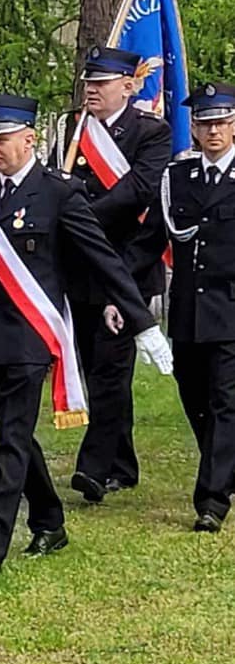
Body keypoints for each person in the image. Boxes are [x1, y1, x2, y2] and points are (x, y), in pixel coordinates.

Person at [0, 91, 172, 577]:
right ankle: (49, 519)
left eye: (2, 139)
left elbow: (101, 259)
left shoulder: (59, 192)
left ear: (29, 138)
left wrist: (143, 323)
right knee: (14, 435)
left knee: (9, 438)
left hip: (32, 334)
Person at [56, 45, 170, 504]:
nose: (92, 91)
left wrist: (79, 216)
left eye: (100, 84)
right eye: (88, 83)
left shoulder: (150, 132)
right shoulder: (73, 128)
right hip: (81, 271)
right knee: (95, 366)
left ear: (128, 86)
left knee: (111, 371)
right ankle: (122, 462)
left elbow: (141, 191)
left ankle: (94, 468)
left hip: (127, 265)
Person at [128, 82, 235, 531]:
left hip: (231, 312)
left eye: (222, 123)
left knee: (226, 400)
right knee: (195, 400)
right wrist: (124, 290)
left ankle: (211, 500)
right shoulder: (178, 179)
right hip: (189, 313)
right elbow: (150, 240)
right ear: (193, 128)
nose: (214, 132)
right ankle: (224, 465)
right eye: (206, 124)